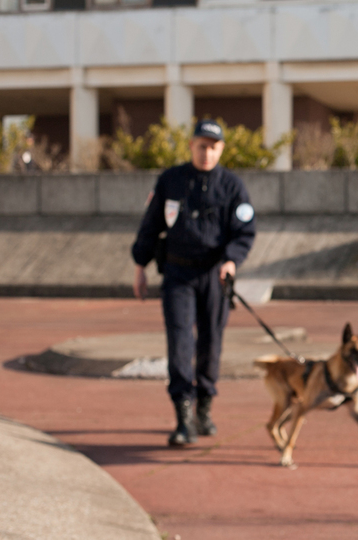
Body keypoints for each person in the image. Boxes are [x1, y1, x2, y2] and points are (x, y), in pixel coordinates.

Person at [132, 119, 256, 447]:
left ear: (221, 149)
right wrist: (139, 265)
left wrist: (231, 259)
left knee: (210, 344)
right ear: (191, 146)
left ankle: (205, 406)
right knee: (180, 343)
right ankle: (183, 417)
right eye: (201, 145)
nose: (207, 152)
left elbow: (244, 231)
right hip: (178, 275)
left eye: (213, 146)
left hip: (215, 276)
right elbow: (151, 225)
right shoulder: (171, 180)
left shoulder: (232, 186)